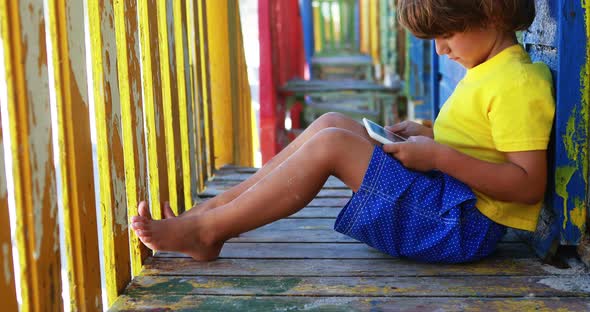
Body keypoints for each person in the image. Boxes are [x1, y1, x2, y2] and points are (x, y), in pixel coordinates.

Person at [131, 0, 554, 263]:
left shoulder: (517, 83)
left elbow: (528, 185)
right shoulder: (490, 70)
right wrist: (427, 135)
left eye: (446, 34)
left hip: (459, 229)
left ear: (491, 10)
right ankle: (212, 211)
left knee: (333, 145)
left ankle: (208, 233)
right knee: (331, 122)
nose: (441, 49)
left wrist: (439, 156)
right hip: (446, 202)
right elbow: (485, 144)